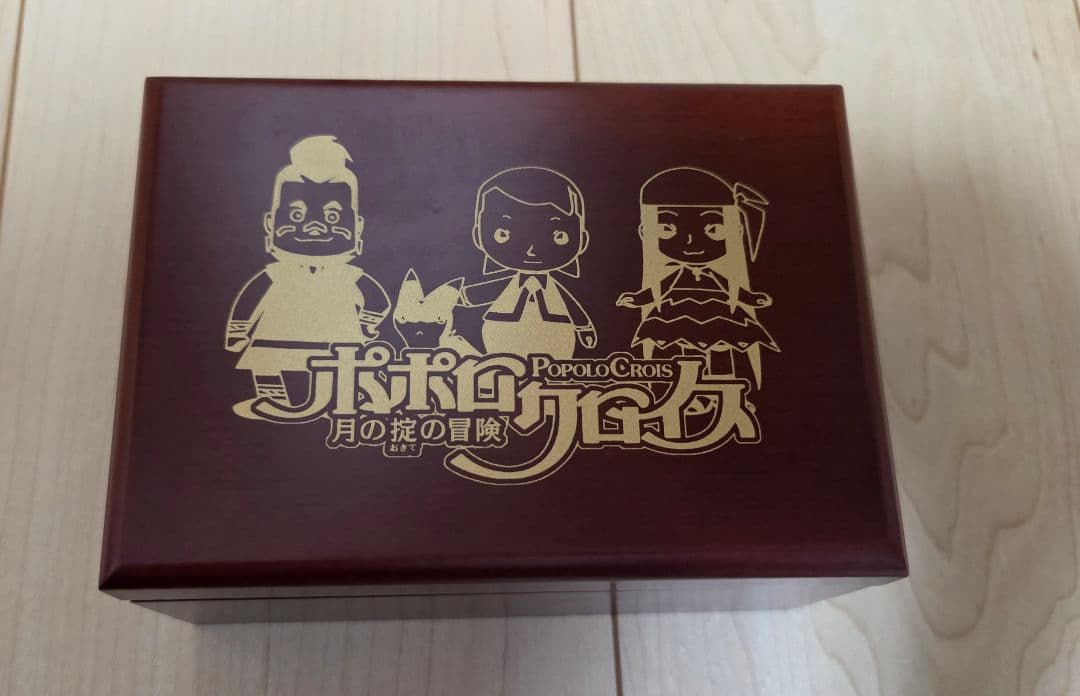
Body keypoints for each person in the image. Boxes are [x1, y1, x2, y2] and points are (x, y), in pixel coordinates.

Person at [225, 135, 389, 419]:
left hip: (339, 341)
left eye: (333, 217)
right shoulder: (275, 274)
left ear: (358, 228)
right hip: (275, 335)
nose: (315, 226)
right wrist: (238, 332)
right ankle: (272, 400)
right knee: (266, 364)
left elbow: (377, 300)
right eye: (296, 215)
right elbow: (249, 299)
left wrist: (366, 325)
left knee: (343, 369)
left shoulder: (350, 276)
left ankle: (340, 402)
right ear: (270, 223)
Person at [616, 166, 778, 390]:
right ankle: (690, 387)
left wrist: (751, 299)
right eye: (667, 229)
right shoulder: (676, 275)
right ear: (645, 232)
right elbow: (658, 291)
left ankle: (725, 386)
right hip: (680, 313)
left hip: (719, 313)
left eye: (713, 230)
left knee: (721, 345)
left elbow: (732, 290)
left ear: (737, 231)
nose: (691, 243)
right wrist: (637, 299)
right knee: (686, 347)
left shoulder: (716, 275)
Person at [460, 167, 595, 359]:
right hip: (502, 332)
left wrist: (584, 328)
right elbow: (486, 292)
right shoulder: (509, 286)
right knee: (504, 363)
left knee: (552, 364)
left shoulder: (554, 290)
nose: (531, 250)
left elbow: (572, 306)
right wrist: (455, 297)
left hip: (556, 334)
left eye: (559, 236)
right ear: (478, 235)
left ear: (582, 241)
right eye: (503, 234)